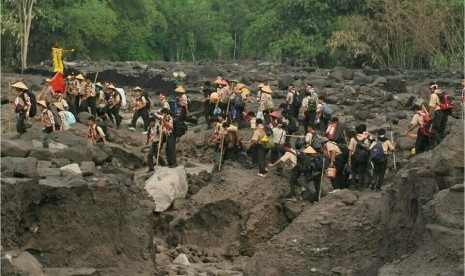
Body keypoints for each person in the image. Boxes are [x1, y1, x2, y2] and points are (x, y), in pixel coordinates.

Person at [269, 111, 286, 176]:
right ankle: (274, 165)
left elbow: (271, 137)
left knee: (274, 155)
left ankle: (275, 166)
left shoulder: (273, 130)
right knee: (278, 156)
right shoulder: (283, 131)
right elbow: (284, 139)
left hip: (275, 144)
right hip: (281, 145)